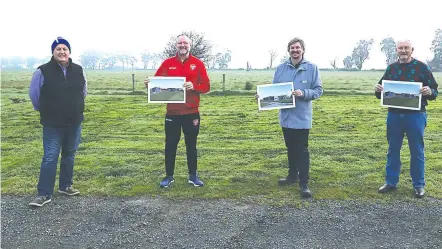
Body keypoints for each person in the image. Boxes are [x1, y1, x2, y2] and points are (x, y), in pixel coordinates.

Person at [257, 37, 323, 198]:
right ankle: (292, 175)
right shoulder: (280, 69)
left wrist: (304, 93)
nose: (295, 50)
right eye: (292, 48)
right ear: (288, 50)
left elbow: (318, 90)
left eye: (297, 48)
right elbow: (274, 90)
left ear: (303, 50)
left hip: (302, 117)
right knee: (290, 148)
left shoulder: (312, 68)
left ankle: (304, 183)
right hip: (286, 117)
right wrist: (262, 97)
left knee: (302, 150)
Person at [144, 35, 210, 188]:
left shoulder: (198, 63)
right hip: (172, 113)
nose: (183, 45)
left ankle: (193, 176)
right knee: (170, 145)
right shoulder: (168, 63)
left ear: (189, 45)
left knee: (191, 145)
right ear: (176, 45)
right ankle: (169, 176)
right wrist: (149, 84)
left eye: (185, 43)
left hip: (191, 113)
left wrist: (194, 86)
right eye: (180, 43)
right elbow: (157, 84)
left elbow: (206, 86)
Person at [375, 40, 438, 198]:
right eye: (400, 48)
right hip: (394, 115)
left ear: (412, 50)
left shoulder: (421, 67)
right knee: (393, 149)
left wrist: (429, 91)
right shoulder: (391, 68)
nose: (403, 50)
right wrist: (377, 90)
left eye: (406, 48)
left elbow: (435, 92)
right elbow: (380, 92)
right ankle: (391, 182)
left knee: (417, 151)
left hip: (416, 116)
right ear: (396, 50)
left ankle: (418, 185)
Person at [28, 37, 87, 207]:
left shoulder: (79, 70)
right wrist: (47, 110)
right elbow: (35, 95)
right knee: (50, 157)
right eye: (58, 49)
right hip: (52, 123)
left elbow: (83, 92)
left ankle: (65, 186)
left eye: (64, 49)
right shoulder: (42, 71)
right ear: (53, 52)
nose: (62, 52)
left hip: (74, 121)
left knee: (69, 154)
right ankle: (44, 194)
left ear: (69, 52)